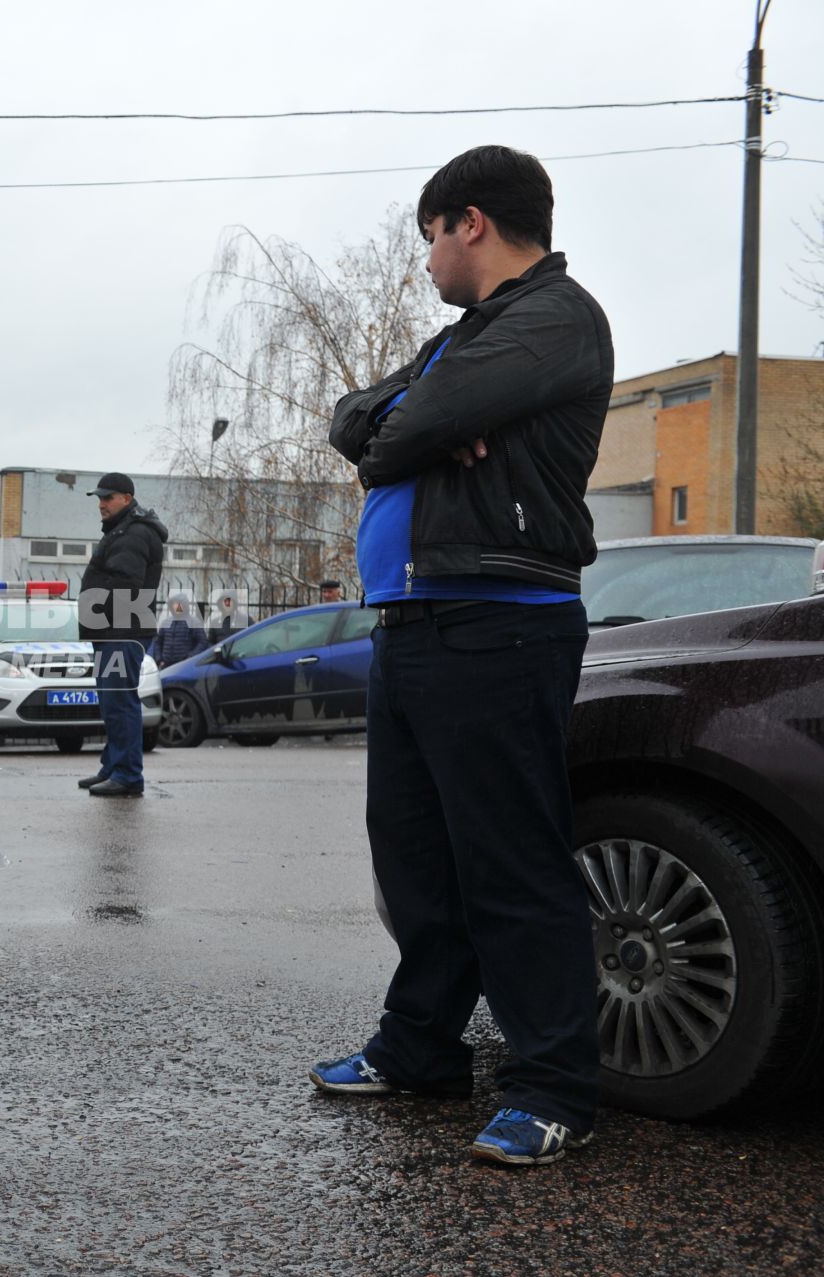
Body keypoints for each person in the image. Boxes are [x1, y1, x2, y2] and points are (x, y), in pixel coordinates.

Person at [315, 145, 612, 1167]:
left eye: (430, 238)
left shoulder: (556, 318)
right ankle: (421, 1047)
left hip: (500, 618)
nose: (427, 261)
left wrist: (414, 427)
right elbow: (354, 420)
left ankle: (556, 1083)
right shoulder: (467, 340)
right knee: (418, 856)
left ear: (469, 222)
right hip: (414, 621)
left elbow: (399, 434)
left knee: (510, 859)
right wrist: (413, 423)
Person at [76, 472, 166, 798]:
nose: (101, 504)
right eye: (99, 498)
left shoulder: (134, 533)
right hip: (113, 629)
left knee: (119, 701)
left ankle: (127, 775)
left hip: (122, 629)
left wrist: (97, 611)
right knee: (110, 700)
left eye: (107, 497)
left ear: (126, 499)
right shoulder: (122, 529)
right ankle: (113, 767)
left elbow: (125, 583)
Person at [149, 590, 207, 669]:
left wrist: (190, 657)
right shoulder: (166, 622)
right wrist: (159, 660)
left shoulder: (194, 622)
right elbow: (158, 642)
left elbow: (202, 642)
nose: (177, 606)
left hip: (184, 666)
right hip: (165, 665)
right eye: (175, 604)